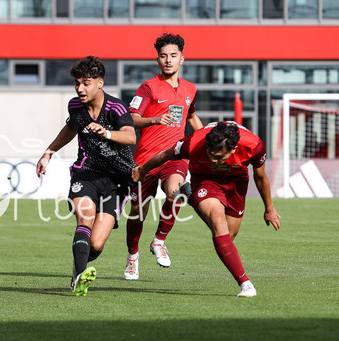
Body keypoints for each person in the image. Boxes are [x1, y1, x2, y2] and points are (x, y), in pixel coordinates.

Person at [132, 121, 281, 297]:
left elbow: (261, 177)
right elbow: (165, 155)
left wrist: (269, 208)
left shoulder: (253, 146)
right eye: (211, 154)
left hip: (236, 182)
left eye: (220, 157)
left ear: (234, 149)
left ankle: (188, 193)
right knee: (218, 224)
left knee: (228, 236)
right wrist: (142, 170)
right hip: (205, 179)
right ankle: (246, 284)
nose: (214, 160)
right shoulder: (193, 143)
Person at [37, 56, 137, 296]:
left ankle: (79, 264)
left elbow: (130, 136)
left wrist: (106, 133)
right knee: (85, 218)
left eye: (86, 83)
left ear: (100, 83)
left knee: (96, 244)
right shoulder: (75, 106)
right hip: (86, 172)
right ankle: (80, 277)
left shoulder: (116, 108)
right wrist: (49, 152)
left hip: (117, 180)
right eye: (77, 83)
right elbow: (70, 128)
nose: (80, 88)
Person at [125, 33, 203, 280]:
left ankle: (159, 240)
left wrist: (205, 140)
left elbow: (191, 117)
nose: (168, 60)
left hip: (175, 156)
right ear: (157, 59)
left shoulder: (190, 89)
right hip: (145, 160)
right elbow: (132, 119)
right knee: (137, 211)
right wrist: (154, 119)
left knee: (175, 191)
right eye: (163, 56)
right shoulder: (148, 87)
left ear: (182, 58)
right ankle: (132, 257)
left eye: (173, 55)